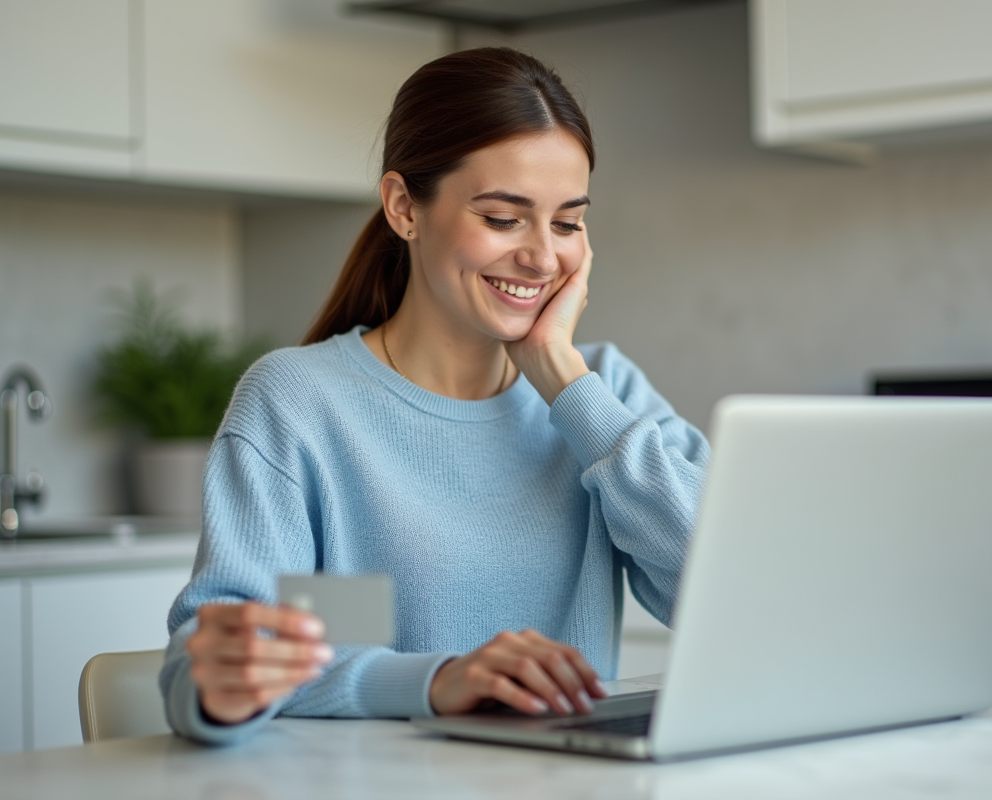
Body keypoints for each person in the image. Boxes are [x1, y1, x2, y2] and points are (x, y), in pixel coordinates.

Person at [159, 47, 709, 745]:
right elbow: (218, 673)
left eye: (568, 223)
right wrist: (435, 681)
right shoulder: (303, 407)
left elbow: (732, 596)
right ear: (403, 208)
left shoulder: (602, 396)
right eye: (504, 218)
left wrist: (564, 384)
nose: (543, 257)